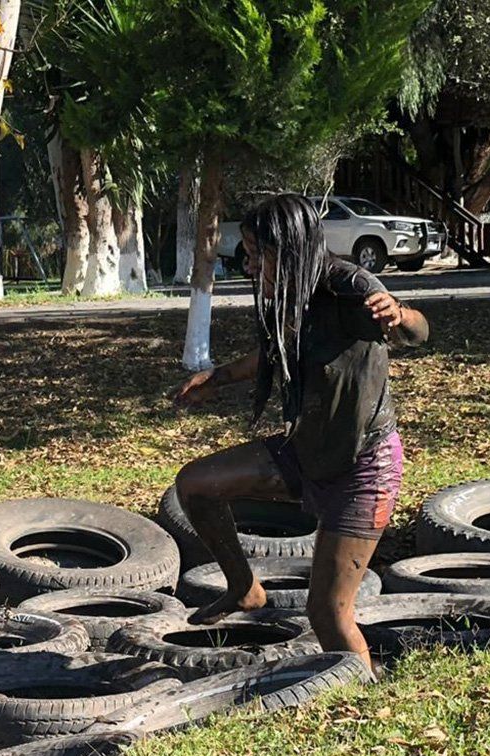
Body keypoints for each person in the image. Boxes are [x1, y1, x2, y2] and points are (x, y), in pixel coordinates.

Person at [172, 194, 428, 671]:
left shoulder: (350, 286)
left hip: (363, 467)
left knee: (328, 612)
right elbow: (272, 354)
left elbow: (417, 333)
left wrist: (401, 314)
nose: (249, 264)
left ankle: (363, 698)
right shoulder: (290, 295)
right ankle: (243, 589)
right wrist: (218, 378)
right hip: (305, 451)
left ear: (289, 249)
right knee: (195, 485)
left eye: (257, 253)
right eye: (247, 252)